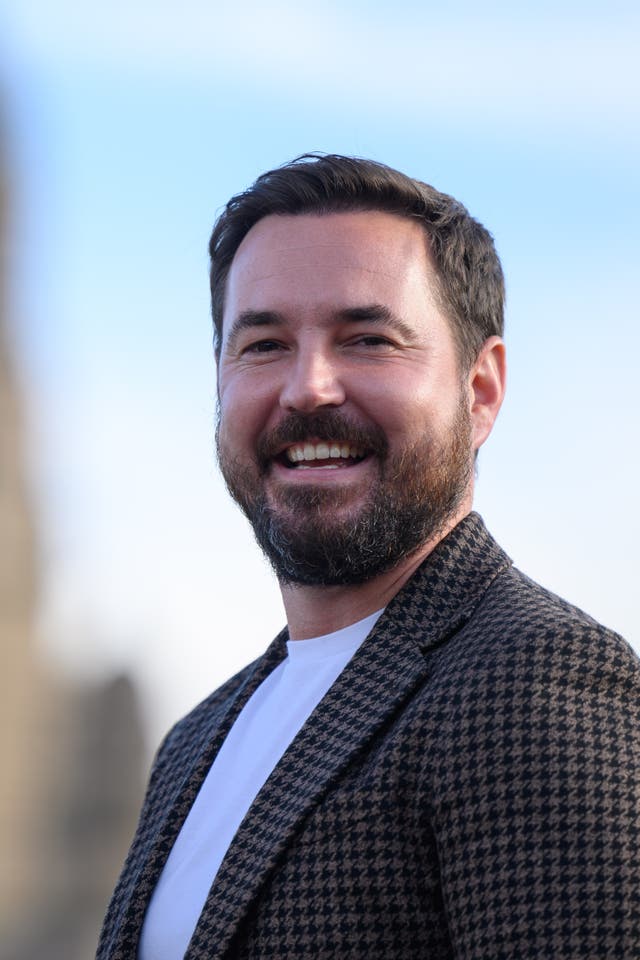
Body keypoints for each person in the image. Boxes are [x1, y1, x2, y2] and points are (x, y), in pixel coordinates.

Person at [97, 155, 640, 960]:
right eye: (265, 344)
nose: (308, 387)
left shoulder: (538, 682)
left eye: (368, 339)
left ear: (481, 389)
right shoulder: (193, 741)